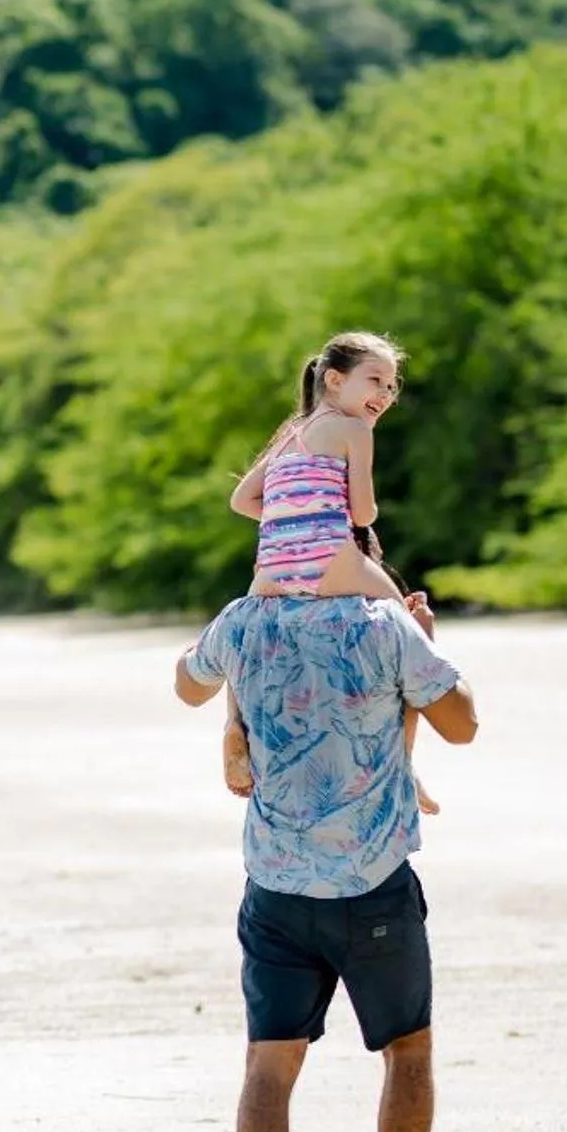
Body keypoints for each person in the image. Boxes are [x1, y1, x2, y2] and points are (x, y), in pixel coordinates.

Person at [174, 580, 480, 1132]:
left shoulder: (245, 621)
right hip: (371, 886)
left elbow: (186, 685)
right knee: (407, 1052)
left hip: (278, 888)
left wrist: (222, 651)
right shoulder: (382, 626)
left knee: (268, 1066)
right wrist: (420, 643)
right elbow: (461, 724)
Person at [219, 332, 440, 816]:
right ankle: (404, 764)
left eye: (392, 385)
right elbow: (362, 515)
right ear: (335, 380)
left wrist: (292, 516)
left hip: (273, 565)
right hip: (331, 559)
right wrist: (324, 520)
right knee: (413, 632)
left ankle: (233, 724)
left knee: (244, 638)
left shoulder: (290, 434)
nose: (384, 394)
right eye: (375, 380)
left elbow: (242, 501)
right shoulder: (354, 431)